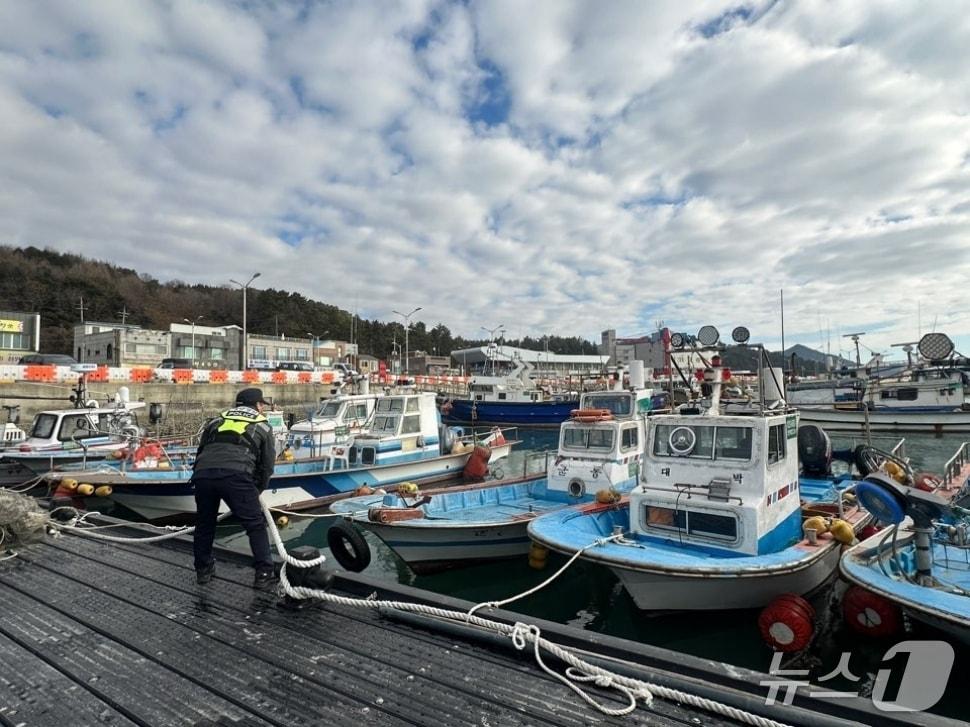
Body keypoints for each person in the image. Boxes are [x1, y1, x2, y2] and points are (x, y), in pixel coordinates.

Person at [192, 387, 277, 589]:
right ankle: (264, 574)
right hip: (236, 475)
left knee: (205, 523)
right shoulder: (262, 426)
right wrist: (257, 490)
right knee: (255, 525)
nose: (263, 408)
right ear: (257, 405)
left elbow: (201, 451)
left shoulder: (215, 421)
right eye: (262, 404)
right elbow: (267, 466)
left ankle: (203, 571)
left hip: (203, 475)